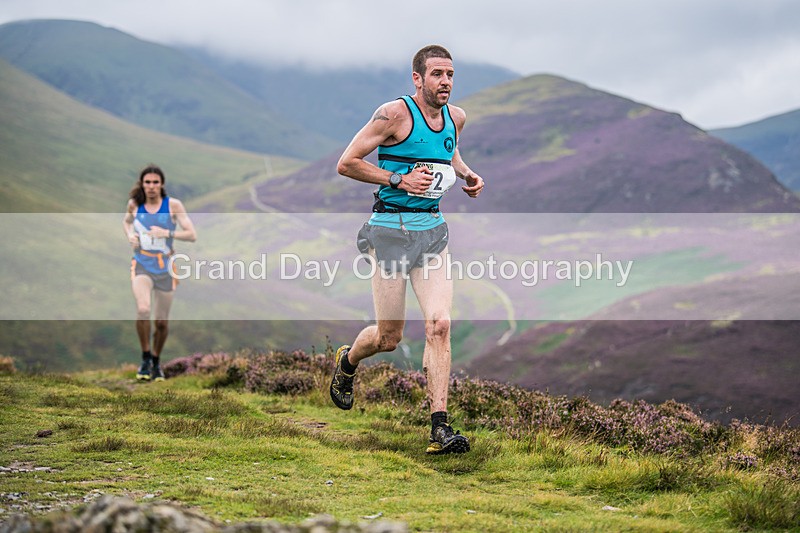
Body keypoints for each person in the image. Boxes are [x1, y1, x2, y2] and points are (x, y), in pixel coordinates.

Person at [331, 45, 484, 454]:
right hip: (389, 232)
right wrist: (398, 180)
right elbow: (347, 162)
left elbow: (448, 150)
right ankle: (348, 361)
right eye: (437, 74)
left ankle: (440, 428)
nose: (445, 82)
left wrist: (466, 174)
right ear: (417, 78)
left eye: (450, 74)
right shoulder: (394, 114)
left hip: (432, 231)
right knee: (388, 337)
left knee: (440, 324)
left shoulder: (456, 117)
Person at [123, 164, 196, 381]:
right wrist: (130, 236)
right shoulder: (134, 204)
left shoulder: (173, 205)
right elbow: (127, 222)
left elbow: (192, 235)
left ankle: (156, 361)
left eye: (155, 182)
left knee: (162, 322)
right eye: (147, 182)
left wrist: (167, 233)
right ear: (142, 184)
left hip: (165, 267)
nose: (152, 186)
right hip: (142, 264)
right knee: (143, 309)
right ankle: (145, 358)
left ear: (162, 184)